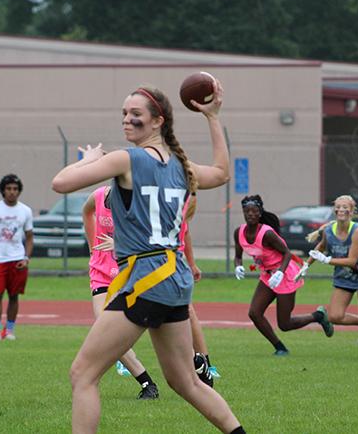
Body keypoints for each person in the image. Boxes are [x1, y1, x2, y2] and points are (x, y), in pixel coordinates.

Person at [52, 82, 245, 433]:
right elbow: (221, 173)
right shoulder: (180, 165)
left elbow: (60, 184)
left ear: (158, 121)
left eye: (135, 115)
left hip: (145, 277)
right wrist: (213, 118)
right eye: (124, 114)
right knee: (186, 382)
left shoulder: (126, 158)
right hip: (174, 280)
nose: (127, 120)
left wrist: (89, 160)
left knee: (82, 374)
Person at [82, 185, 160, 399]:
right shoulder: (99, 195)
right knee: (103, 327)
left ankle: (196, 364)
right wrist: (92, 246)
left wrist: (117, 244)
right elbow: (86, 212)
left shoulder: (136, 204)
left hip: (126, 272)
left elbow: (148, 240)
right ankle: (147, 384)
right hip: (100, 272)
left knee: (122, 330)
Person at [233, 194, 334, 356]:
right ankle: (280, 347)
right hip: (267, 275)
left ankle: (318, 316)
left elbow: (287, 253)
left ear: (260, 213)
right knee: (254, 313)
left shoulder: (267, 233)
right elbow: (238, 255)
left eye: (254, 211)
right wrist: (238, 266)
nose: (250, 214)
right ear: (243, 212)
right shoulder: (239, 232)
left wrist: (280, 272)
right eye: (247, 211)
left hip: (285, 274)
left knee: (284, 324)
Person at [305, 195, 358, 359]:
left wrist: (327, 260)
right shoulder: (328, 229)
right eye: (338, 206)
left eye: (345, 207)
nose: (341, 209)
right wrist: (305, 266)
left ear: (352, 210)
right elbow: (320, 247)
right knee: (334, 316)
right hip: (344, 277)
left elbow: (352, 261)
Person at [0, 174, 33, 341]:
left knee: (14, 295)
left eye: (15, 189)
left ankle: (9, 330)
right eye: (9, 189)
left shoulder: (25, 210)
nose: (12, 192)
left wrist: (26, 258)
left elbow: (30, 237)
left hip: (17, 258)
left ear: (19, 191)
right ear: (3, 190)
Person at [181, 195, 220, 385]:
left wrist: (192, 264)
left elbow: (185, 231)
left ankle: (202, 363)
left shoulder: (172, 199)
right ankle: (201, 363)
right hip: (162, 266)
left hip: (167, 266)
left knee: (182, 313)